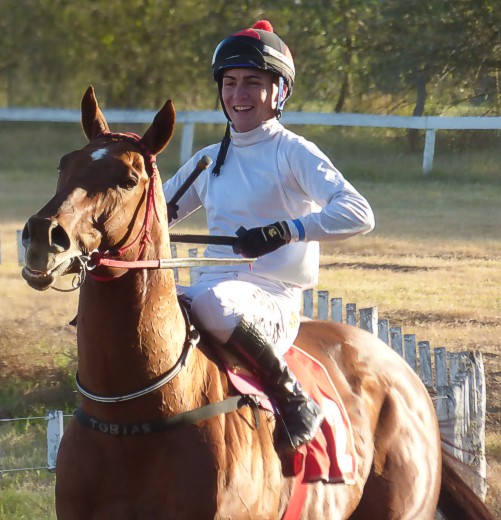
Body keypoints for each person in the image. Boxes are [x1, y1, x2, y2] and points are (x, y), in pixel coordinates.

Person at [163, 20, 375, 450]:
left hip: (272, 300)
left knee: (212, 303)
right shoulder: (208, 160)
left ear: (279, 92)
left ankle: (293, 399)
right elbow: (153, 217)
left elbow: (359, 213)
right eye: (230, 83)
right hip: (212, 292)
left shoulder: (294, 152)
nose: (238, 95)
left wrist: (287, 231)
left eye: (252, 83)